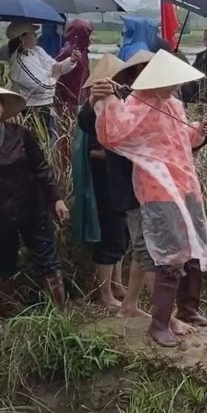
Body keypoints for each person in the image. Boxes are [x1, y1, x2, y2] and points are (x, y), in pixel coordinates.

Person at [92, 52, 207, 347]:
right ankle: (161, 322)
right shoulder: (136, 104)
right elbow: (112, 135)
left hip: (183, 184)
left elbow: (179, 141)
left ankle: (183, 311)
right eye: (170, 81)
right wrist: (102, 100)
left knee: (186, 248)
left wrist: (201, 131)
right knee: (167, 255)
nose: (174, 87)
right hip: (155, 188)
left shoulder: (172, 104)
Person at [0, 82, 68, 314]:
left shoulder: (21, 135)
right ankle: (9, 320)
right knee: (1, 266)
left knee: (47, 260)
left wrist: (55, 198)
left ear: (3, 107)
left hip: (32, 206)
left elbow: (41, 168)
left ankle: (58, 317)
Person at [73, 53, 142, 310]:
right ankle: (105, 295)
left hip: (121, 181)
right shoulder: (95, 108)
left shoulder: (124, 103)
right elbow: (93, 145)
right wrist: (118, 150)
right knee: (109, 236)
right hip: (103, 183)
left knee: (122, 236)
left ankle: (118, 283)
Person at [6, 22, 79, 138]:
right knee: (37, 141)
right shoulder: (20, 62)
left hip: (46, 104)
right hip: (32, 109)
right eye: (33, 33)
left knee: (48, 138)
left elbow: (55, 66)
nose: (36, 35)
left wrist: (71, 61)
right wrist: (54, 78)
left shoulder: (37, 51)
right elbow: (41, 85)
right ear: (22, 38)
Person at [54, 18, 93, 111]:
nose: (92, 38)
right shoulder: (68, 52)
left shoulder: (82, 51)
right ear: (81, 35)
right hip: (67, 103)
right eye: (89, 35)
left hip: (78, 99)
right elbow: (57, 72)